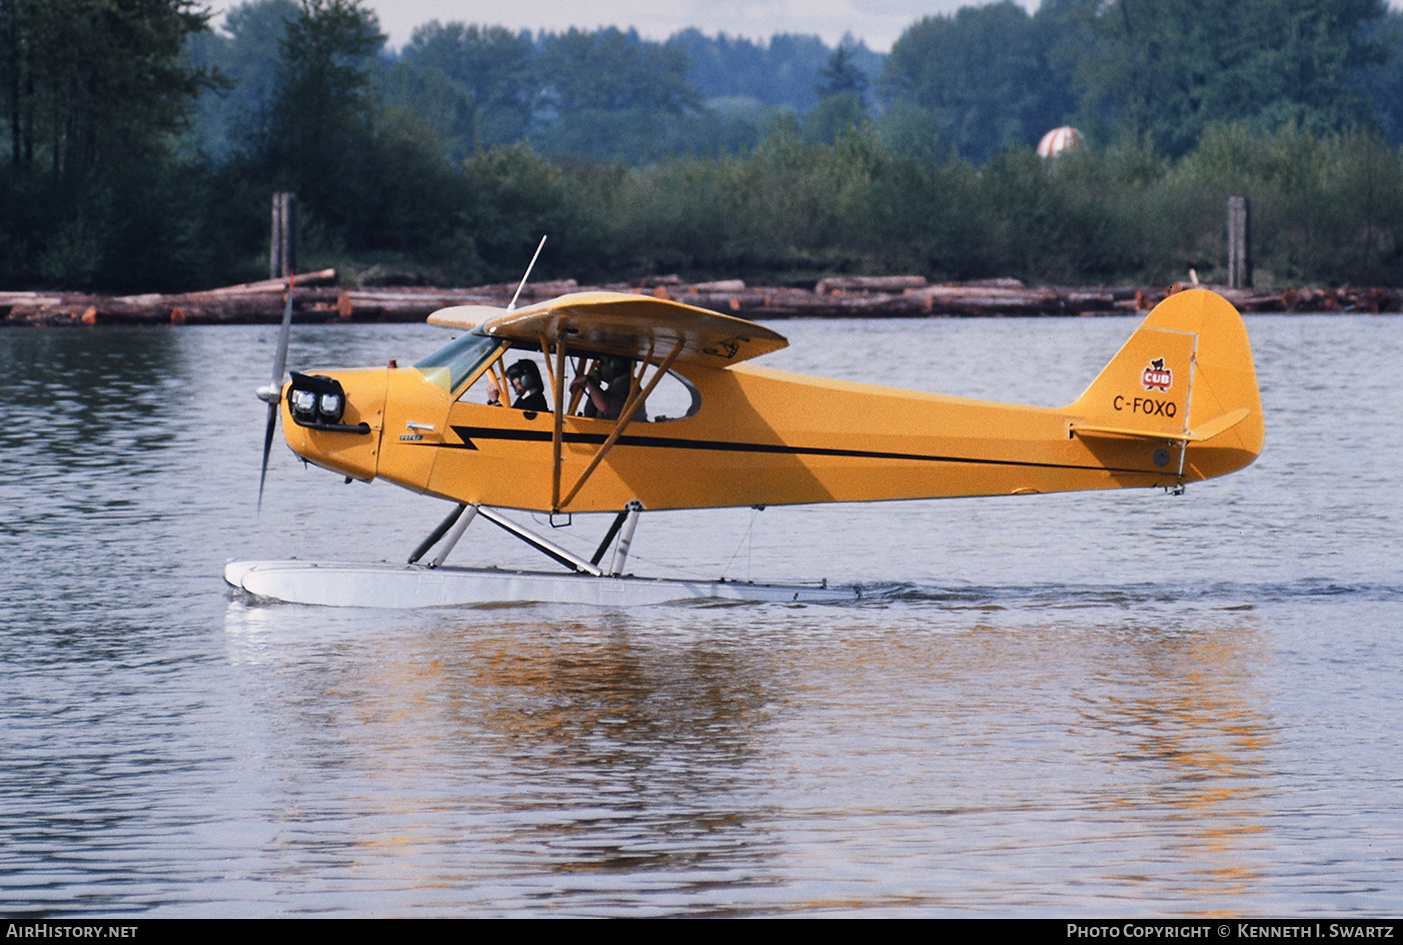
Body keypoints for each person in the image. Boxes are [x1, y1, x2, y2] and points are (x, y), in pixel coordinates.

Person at [570, 355, 638, 421]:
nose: (597, 366)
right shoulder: (615, 386)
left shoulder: (625, 383)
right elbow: (589, 414)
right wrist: (594, 385)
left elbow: (604, 407)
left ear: (615, 366)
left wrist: (587, 381)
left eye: (602, 362)